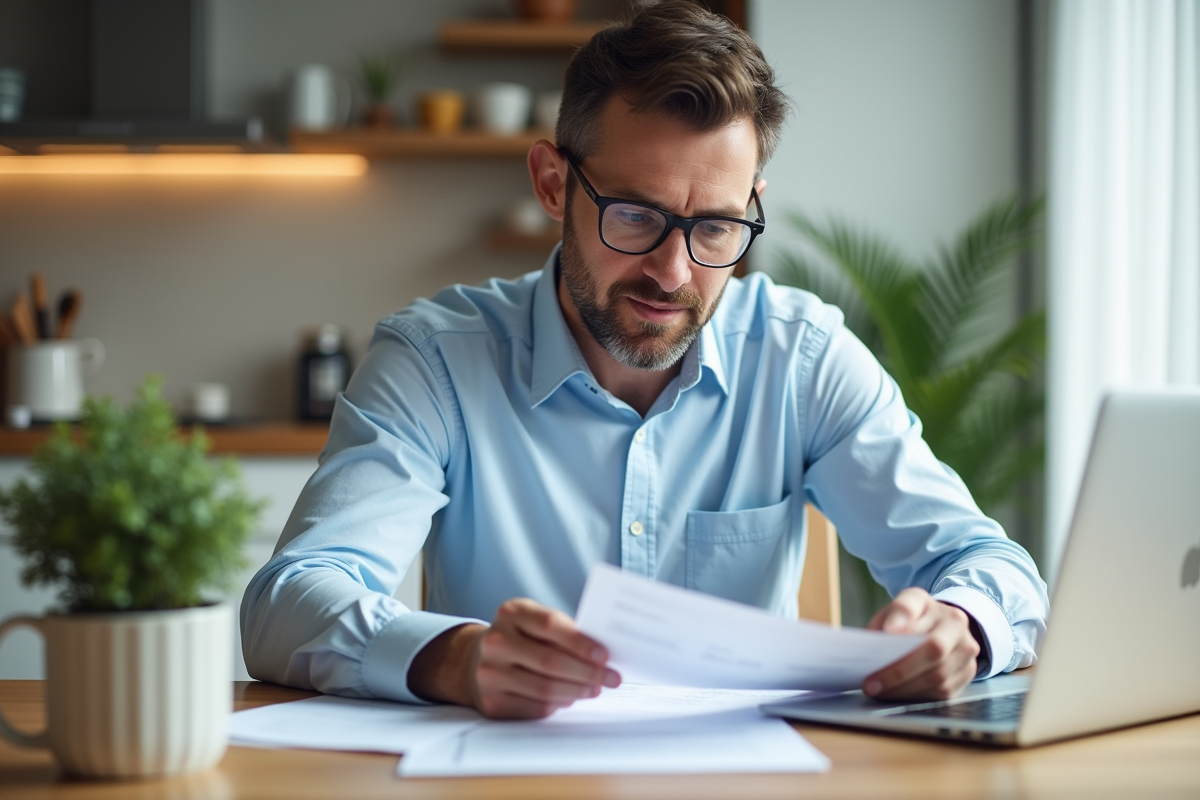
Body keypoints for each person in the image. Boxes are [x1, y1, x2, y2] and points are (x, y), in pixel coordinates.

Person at [241, 0, 1048, 720]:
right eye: (635, 215)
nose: (673, 272)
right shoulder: (437, 361)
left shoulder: (802, 358)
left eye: (717, 230)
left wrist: (964, 627)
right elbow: (286, 603)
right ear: (553, 185)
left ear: (752, 208)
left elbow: (986, 563)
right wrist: (453, 657)